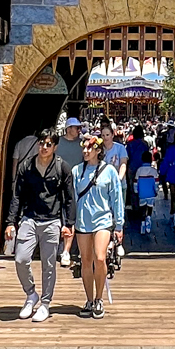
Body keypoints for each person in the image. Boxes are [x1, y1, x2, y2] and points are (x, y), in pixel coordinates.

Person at [4, 130, 72, 322]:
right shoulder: (26, 166)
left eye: (48, 144)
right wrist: (11, 222)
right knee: (21, 258)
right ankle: (31, 293)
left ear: (55, 147)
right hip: (30, 217)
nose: (44, 147)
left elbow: (69, 198)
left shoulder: (62, 167)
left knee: (48, 264)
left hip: (52, 220)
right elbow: (17, 195)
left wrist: (69, 224)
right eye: (42, 143)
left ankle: (45, 303)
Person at [72, 131, 125, 316]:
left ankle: (99, 297)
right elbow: (71, 198)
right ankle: (89, 299)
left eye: (89, 147)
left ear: (98, 149)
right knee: (85, 261)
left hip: (102, 219)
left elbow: (116, 198)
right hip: (82, 220)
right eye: (84, 147)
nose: (86, 151)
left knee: (100, 257)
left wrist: (119, 224)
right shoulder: (77, 171)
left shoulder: (109, 171)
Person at [128, 126, 158, 238]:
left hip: (132, 167)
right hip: (143, 166)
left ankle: (135, 206)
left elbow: (128, 156)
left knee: (133, 187)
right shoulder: (145, 144)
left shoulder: (130, 144)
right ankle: (145, 212)